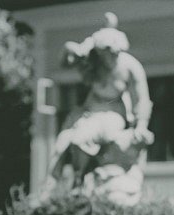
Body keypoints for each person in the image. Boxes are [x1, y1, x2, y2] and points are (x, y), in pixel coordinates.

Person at [48, 13, 154, 201]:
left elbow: (142, 99)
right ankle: (78, 181)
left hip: (113, 113)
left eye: (116, 52)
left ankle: (83, 182)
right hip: (91, 111)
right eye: (108, 53)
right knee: (74, 140)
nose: (113, 56)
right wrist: (79, 48)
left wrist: (141, 126)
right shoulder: (93, 62)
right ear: (100, 52)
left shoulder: (130, 66)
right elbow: (65, 61)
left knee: (85, 137)